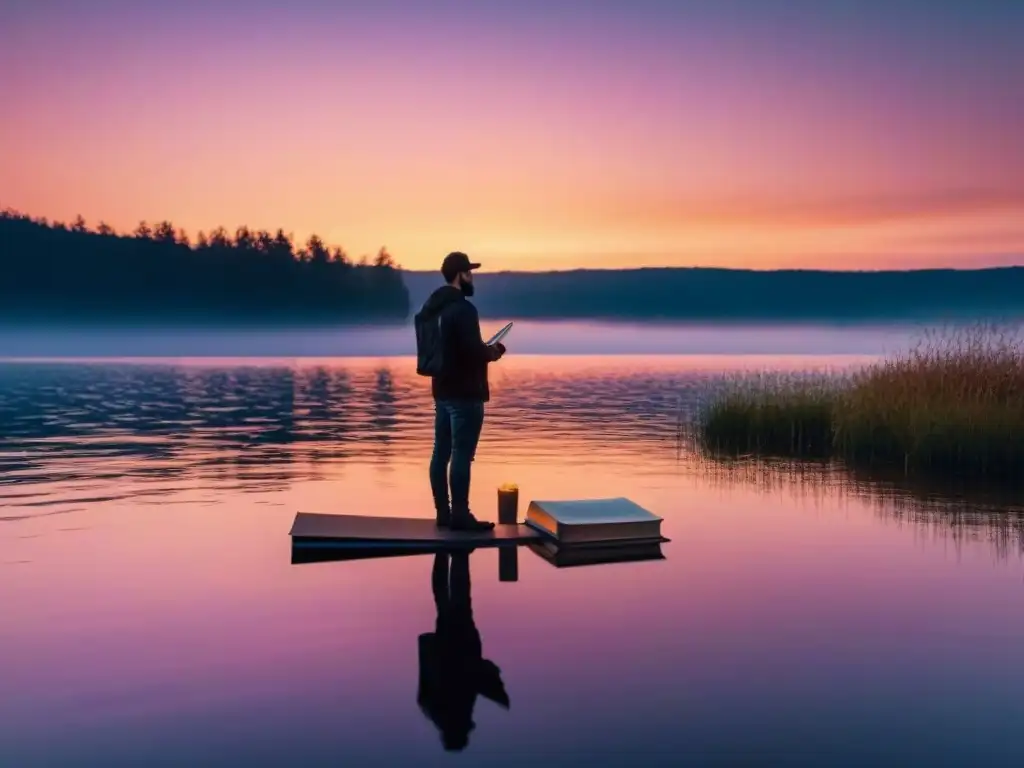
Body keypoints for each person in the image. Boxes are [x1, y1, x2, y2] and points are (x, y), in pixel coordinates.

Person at [418, 252, 506, 531]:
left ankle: (443, 514)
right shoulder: (464, 310)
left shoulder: (434, 308)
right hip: (466, 394)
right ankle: (460, 515)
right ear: (460, 275)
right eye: (469, 272)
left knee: (440, 453)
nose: (472, 277)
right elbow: (472, 351)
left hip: (442, 391)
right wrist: (493, 352)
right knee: (461, 455)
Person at [417, 551, 510, 751]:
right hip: (455, 647)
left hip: (457, 647)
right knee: (447, 601)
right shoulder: (438, 710)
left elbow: (468, 677)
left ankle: (455, 554)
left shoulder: (446, 710)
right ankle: (448, 553)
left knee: (454, 600)